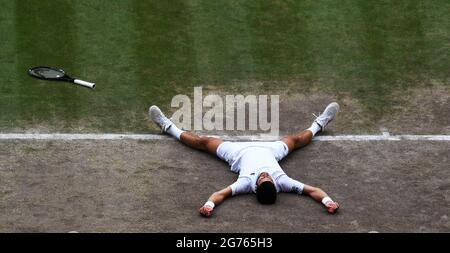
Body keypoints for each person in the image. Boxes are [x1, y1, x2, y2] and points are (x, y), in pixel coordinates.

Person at [149, 102, 340, 217]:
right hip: (271, 151)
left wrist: (208, 206)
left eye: (262, 178)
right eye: (268, 177)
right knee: (296, 140)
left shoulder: (245, 183)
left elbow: (219, 195)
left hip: (237, 153)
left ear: (256, 186)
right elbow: (314, 191)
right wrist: (328, 202)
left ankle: (167, 126)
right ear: (274, 184)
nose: (265, 175)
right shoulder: (283, 182)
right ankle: (320, 123)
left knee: (204, 142)